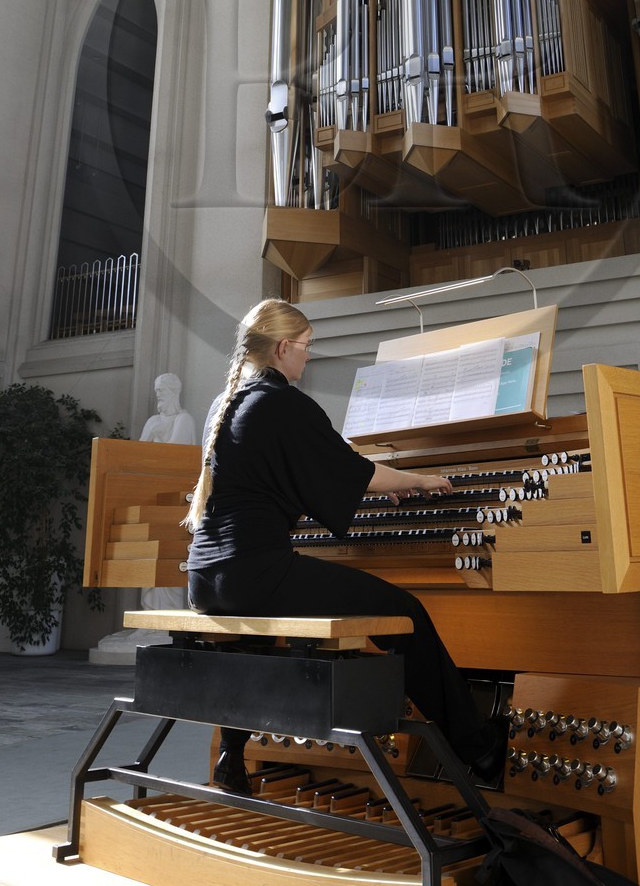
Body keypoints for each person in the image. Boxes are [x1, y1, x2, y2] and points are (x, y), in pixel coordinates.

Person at [183, 298, 506, 796]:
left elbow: (324, 467)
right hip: (254, 574)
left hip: (207, 577)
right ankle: (477, 748)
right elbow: (350, 470)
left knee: (260, 632)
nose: (309, 358)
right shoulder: (281, 401)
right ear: (284, 347)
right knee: (404, 611)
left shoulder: (229, 401)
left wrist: (373, 479)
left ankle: (233, 754)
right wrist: (417, 480)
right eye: (307, 347)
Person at [140, 372, 197, 446]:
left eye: (161, 390)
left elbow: (174, 451)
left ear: (174, 392)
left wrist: (156, 436)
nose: (157, 395)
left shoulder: (184, 419)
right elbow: (139, 450)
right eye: (156, 391)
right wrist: (151, 432)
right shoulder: (152, 420)